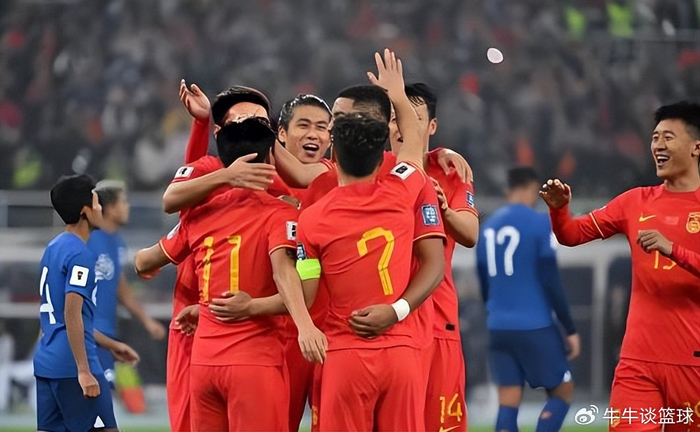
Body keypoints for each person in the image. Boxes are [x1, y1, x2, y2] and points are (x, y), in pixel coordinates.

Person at [135, 117, 326, 431]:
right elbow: (285, 273)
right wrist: (304, 325)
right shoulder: (281, 214)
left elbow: (143, 262)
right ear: (270, 159)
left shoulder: (200, 214)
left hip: (205, 364)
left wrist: (204, 306)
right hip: (254, 362)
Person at [296, 48, 445, 431]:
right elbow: (412, 144)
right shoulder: (402, 190)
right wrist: (397, 94)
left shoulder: (312, 220)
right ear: (381, 154)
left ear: (335, 152)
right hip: (400, 350)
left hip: (345, 352)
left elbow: (307, 291)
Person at [540, 101, 700, 431]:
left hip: (692, 364)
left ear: (696, 147)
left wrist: (673, 250)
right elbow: (572, 234)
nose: (658, 145)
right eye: (655, 138)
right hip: (637, 364)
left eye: (668, 137)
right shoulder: (635, 201)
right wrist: (559, 211)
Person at [477, 167, 579, 432]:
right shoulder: (540, 223)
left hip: (498, 326)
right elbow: (550, 279)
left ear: (508, 188)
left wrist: (495, 311)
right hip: (535, 325)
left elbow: (484, 282)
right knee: (563, 390)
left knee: (508, 401)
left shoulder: (487, 228)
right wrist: (568, 328)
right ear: (532, 188)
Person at [34, 175, 118, 431]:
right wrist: (83, 370)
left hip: (47, 360)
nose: (101, 208)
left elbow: (60, 314)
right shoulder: (80, 255)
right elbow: (72, 313)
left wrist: (112, 345)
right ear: (85, 212)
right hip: (74, 364)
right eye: (97, 202)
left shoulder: (54, 247)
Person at [87, 181, 164, 389]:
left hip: (108, 333)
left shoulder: (117, 242)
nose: (128, 206)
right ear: (111, 208)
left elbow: (122, 290)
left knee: (105, 395)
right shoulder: (88, 239)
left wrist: (147, 321)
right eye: (124, 202)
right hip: (89, 334)